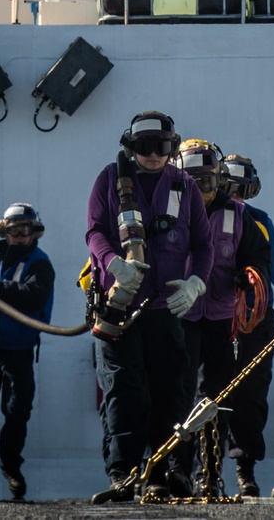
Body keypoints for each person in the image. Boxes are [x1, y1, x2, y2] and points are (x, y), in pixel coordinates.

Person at [87, 111, 214, 500]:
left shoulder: (185, 185)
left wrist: (197, 283)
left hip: (164, 309)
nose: (154, 156)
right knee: (124, 393)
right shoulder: (110, 179)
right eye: (145, 148)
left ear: (172, 148)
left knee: (170, 391)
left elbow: (203, 244)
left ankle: (162, 472)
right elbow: (95, 231)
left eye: (162, 148)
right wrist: (113, 264)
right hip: (119, 307)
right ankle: (122, 474)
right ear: (131, 147)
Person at [173, 141, 271, 497]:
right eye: (194, 181)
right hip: (180, 317)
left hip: (220, 319)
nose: (203, 189)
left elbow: (258, 255)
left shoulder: (238, 215)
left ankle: (210, 475)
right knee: (178, 394)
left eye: (209, 181)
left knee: (218, 398)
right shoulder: (168, 210)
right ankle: (176, 471)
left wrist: (251, 275)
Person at [219, 154, 274, 496]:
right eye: (231, 189)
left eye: (243, 190)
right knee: (207, 391)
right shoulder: (205, 219)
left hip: (256, 320)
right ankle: (200, 470)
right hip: (214, 320)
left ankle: (244, 469)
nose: (237, 197)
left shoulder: (261, 221)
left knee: (252, 394)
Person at [0, 203, 55, 501]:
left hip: (18, 348)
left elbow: (34, 295)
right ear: (3, 231)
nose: (17, 236)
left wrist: (2, 290)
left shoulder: (40, 263)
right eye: (12, 230)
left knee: (17, 411)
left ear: (34, 232)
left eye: (23, 230)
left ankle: (11, 468)